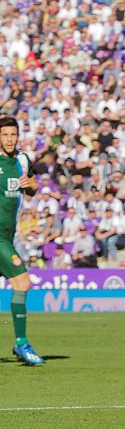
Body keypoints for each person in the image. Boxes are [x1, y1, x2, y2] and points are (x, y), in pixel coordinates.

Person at [0, 117, 44, 365]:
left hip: (8, 236)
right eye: (5, 134)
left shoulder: (23, 160)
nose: (9, 139)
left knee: (20, 283)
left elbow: (32, 188)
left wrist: (31, 185)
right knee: (22, 281)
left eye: (13, 135)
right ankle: (21, 342)